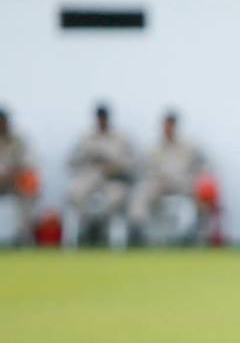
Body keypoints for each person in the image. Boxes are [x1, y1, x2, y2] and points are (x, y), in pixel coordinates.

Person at [128, 111, 210, 245]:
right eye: (165, 125)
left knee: (202, 192)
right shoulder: (154, 148)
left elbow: (203, 165)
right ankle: (136, 229)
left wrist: (200, 177)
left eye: (170, 125)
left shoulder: (189, 146)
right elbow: (146, 169)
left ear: (175, 126)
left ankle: (195, 231)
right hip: (160, 183)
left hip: (183, 183)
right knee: (141, 191)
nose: (168, 128)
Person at [67, 104, 136, 242]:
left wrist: (114, 163)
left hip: (113, 178)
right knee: (74, 193)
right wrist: (87, 158)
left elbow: (132, 163)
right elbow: (71, 161)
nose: (101, 120)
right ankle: (87, 224)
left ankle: (100, 229)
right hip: (90, 177)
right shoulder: (86, 138)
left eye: (104, 117)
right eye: (99, 118)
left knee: (115, 198)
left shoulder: (121, 138)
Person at [0, 108, 39, 245]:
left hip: (15, 181)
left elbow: (29, 163)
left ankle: (24, 238)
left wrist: (12, 173)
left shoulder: (18, 140)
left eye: (3, 122)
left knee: (29, 192)